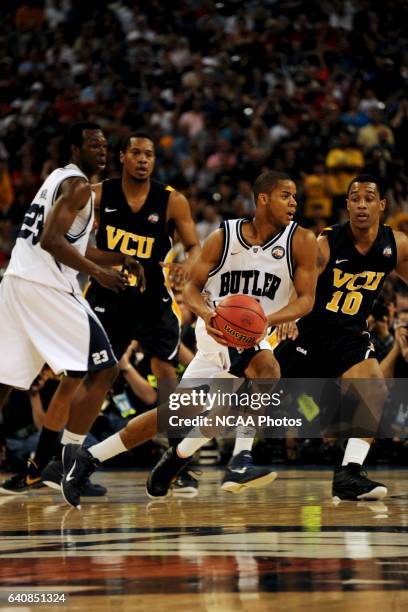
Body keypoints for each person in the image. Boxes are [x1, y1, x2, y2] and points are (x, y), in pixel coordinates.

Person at [59, 170, 319, 508]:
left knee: (175, 415)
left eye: (295, 196)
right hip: (217, 329)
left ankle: (96, 458)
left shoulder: (301, 240)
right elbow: (192, 290)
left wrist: (271, 320)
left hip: (256, 333)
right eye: (286, 195)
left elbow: (306, 299)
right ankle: (240, 461)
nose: (294, 202)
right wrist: (208, 315)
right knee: (267, 371)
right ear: (263, 199)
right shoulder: (223, 237)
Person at [0, 131, 200, 494]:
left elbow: (194, 247)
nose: (143, 159)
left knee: (162, 368)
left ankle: (171, 455)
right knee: (93, 373)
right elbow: (67, 243)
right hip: (97, 291)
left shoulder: (171, 201)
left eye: (149, 154)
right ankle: (64, 461)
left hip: (149, 292)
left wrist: (186, 263)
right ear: (123, 157)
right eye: (135, 152)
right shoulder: (91, 192)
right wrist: (107, 269)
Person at [274, 174, 408, 501]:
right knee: (252, 398)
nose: (362, 205)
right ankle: (185, 450)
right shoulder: (327, 242)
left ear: (382, 204)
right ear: (347, 204)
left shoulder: (397, 244)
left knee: (374, 388)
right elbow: (300, 282)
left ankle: (349, 473)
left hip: (349, 333)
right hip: (310, 331)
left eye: (368, 198)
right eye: (355, 199)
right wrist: (290, 315)